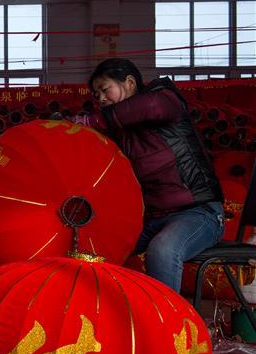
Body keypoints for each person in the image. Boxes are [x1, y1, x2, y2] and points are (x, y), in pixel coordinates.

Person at [74, 58, 224, 292]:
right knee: (96, 250)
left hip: (198, 212)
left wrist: (88, 121)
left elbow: (150, 106)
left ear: (130, 82)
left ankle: (166, 316)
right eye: (97, 95)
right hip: (151, 219)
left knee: (163, 249)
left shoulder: (165, 98)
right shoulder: (121, 132)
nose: (101, 99)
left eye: (105, 89)